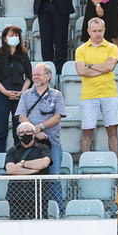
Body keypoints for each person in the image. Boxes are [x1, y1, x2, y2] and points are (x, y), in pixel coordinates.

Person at [16, 63, 68, 211]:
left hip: (52, 144)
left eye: (38, 74)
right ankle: (33, 211)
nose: (35, 77)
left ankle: (57, 212)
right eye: (34, 75)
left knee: (53, 180)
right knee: (29, 180)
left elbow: (57, 117)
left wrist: (41, 126)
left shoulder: (56, 95)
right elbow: (21, 117)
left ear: (48, 76)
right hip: (29, 144)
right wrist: (35, 131)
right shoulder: (26, 94)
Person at [0, 24, 32, 154]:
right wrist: (5, 91)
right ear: (5, 38)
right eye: (11, 35)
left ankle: (19, 158)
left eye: (16, 35)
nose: (14, 38)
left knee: (20, 130)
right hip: (1, 96)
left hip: (20, 97)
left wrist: (22, 92)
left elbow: (29, 76)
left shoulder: (23, 54)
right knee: (1, 130)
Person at [76, 18, 118, 156]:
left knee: (112, 130)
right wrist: (103, 68)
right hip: (89, 95)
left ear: (104, 30)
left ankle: (114, 163)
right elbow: (81, 71)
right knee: (87, 130)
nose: (97, 33)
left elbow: (110, 66)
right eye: (94, 31)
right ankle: (86, 163)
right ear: (88, 31)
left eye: (100, 30)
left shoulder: (112, 47)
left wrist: (90, 65)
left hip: (110, 93)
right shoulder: (81, 49)